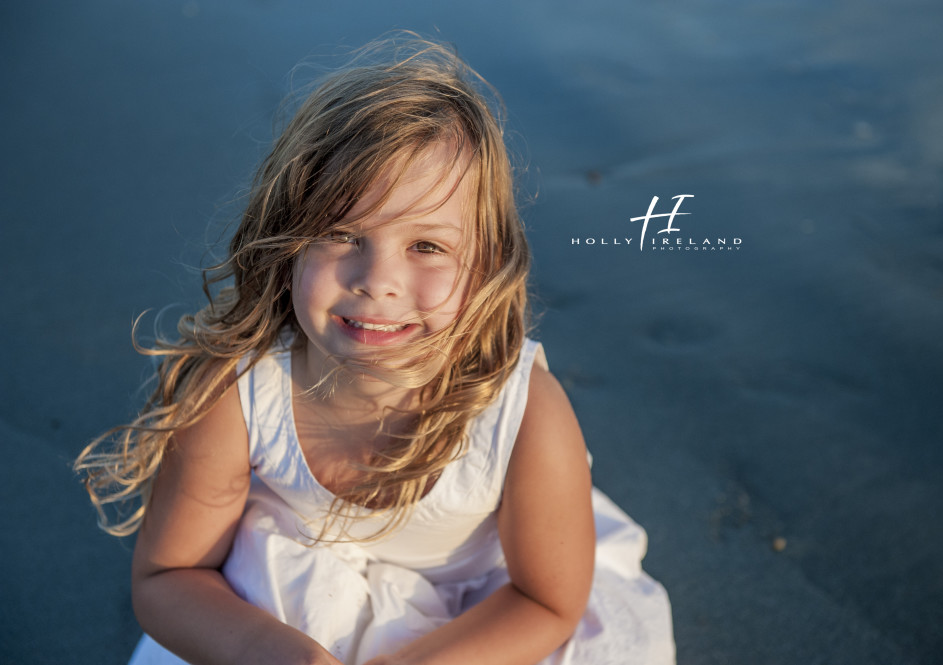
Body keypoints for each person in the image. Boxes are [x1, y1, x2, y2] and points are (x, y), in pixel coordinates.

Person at [75, 36, 675, 665]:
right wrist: (276, 652)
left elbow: (547, 602)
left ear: (487, 264)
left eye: (427, 246)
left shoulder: (523, 414)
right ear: (286, 245)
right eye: (341, 234)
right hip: (293, 601)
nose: (377, 280)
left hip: (481, 620)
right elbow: (166, 579)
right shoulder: (238, 394)